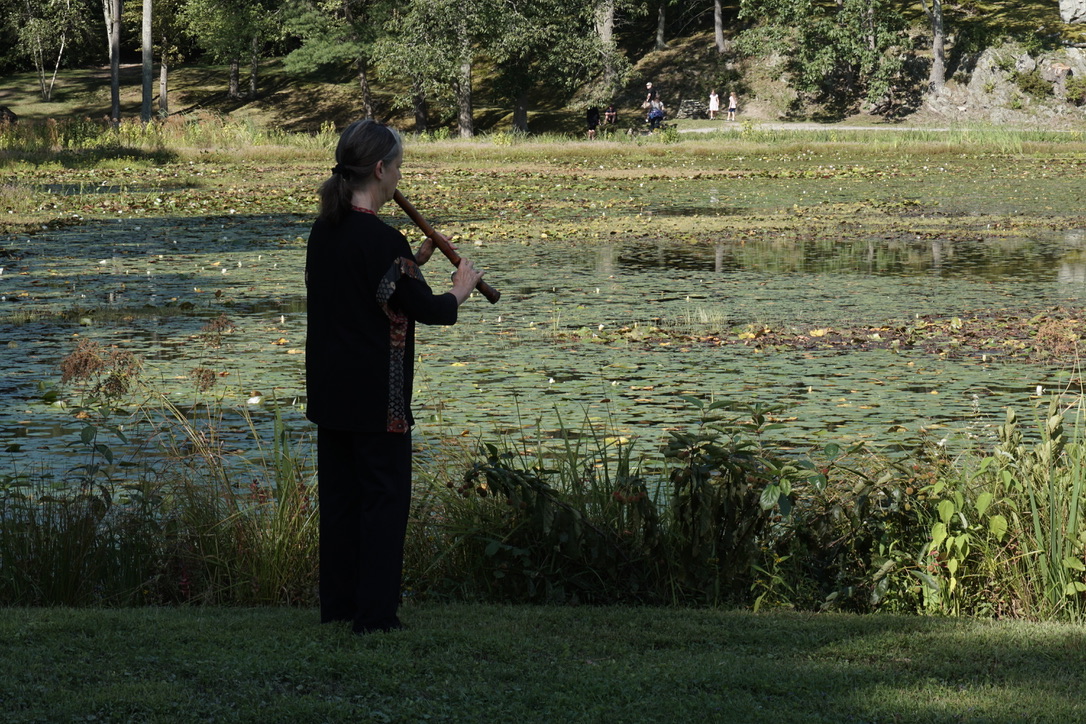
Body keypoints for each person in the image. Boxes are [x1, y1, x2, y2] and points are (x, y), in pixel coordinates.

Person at [305, 119, 484, 635]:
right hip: (377, 401)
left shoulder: (326, 231)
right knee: (383, 505)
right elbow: (430, 311)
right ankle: (376, 617)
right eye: (398, 166)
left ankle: (338, 608)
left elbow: (376, 295)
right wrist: (462, 287)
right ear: (380, 169)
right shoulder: (384, 239)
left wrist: (413, 261)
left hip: (332, 396)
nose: (399, 176)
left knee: (340, 505)